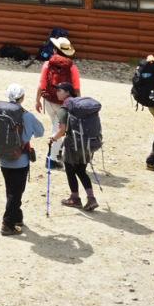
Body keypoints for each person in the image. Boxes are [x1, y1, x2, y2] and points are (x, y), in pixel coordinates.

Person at [0, 84, 45, 236]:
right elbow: (40, 132)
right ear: (22, 97)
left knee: (11, 190)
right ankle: (7, 224)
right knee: (16, 193)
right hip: (20, 160)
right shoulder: (26, 115)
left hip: (2, 158)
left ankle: (17, 218)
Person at [47, 82, 98, 211]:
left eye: (60, 90)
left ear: (68, 93)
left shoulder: (65, 108)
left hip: (72, 143)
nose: (57, 92)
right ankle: (91, 198)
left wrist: (52, 139)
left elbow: (62, 131)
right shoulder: (80, 106)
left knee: (70, 170)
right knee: (81, 170)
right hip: (87, 143)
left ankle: (75, 199)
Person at [35, 38, 79, 131]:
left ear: (55, 50)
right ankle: (57, 142)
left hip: (50, 100)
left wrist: (37, 100)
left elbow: (41, 84)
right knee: (61, 126)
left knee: (55, 125)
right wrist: (77, 104)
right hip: (66, 102)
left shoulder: (47, 64)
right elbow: (76, 88)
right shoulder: (72, 68)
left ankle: (55, 142)